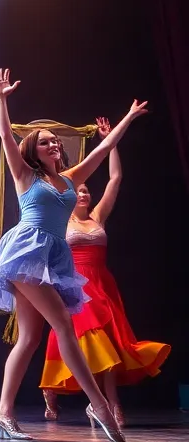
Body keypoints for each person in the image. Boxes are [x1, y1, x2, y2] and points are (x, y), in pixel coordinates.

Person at [0, 69, 146, 442]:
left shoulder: (69, 179)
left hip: (51, 255)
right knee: (65, 326)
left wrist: (127, 120)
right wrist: (1, 98)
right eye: (45, 142)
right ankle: (99, 405)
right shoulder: (25, 176)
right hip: (24, 252)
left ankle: (3, 411)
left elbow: (101, 152)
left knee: (31, 338)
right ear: (32, 151)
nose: (53, 145)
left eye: (55, 142)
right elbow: (5, 135)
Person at [34, 118, 169, 426]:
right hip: (74, 285)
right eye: (78, 191)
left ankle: (109, 402)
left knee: (105, 345)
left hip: (102, 284)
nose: (82, 194)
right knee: (74, 339)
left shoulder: (97, 218)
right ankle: (59, 392)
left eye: (85, 191)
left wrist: (112, 143)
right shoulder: (61, 219)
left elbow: (116, 178)